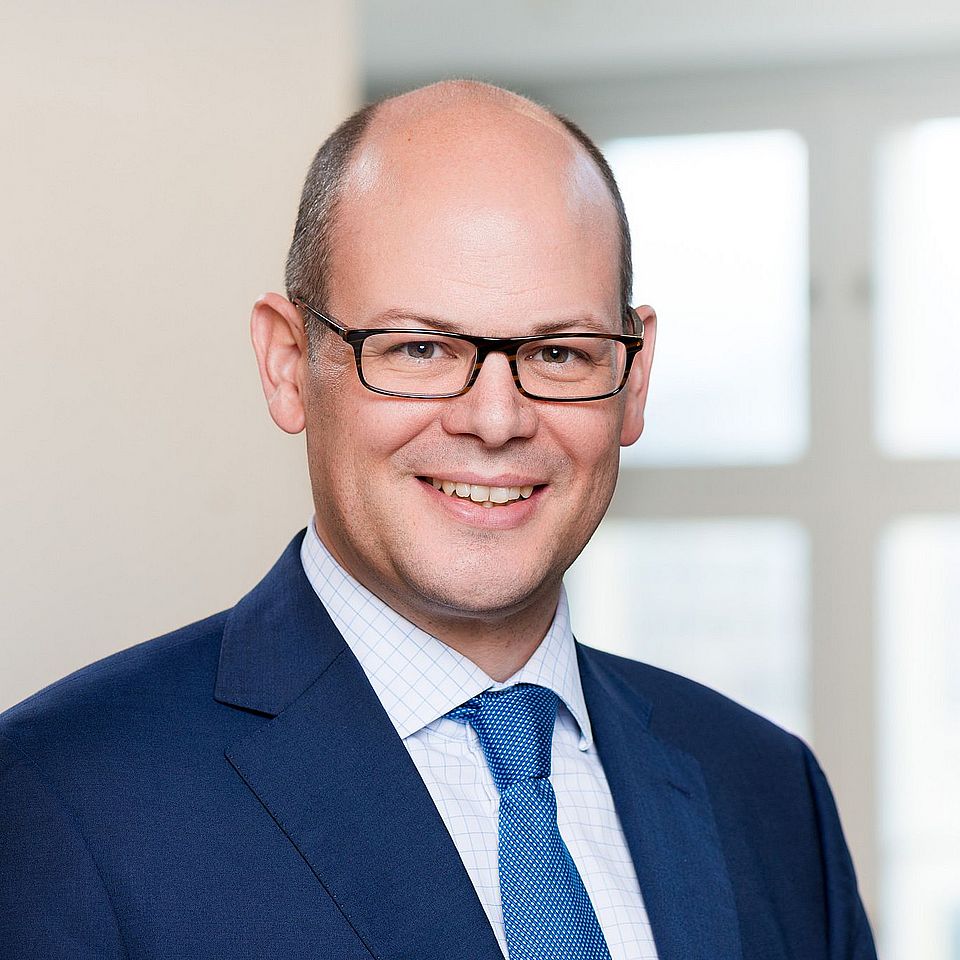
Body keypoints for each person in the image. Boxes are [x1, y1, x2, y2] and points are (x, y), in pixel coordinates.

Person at [0, 80, 876, 960]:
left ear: (633, 381)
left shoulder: (769, 793)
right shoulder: (61, 797)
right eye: (419, 348)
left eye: (559, 352)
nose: (495, 420)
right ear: (287, 364)